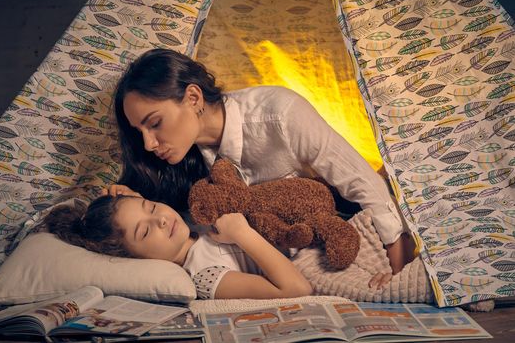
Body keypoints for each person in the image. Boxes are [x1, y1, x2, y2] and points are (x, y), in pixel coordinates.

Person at [105, 49, 417, 289]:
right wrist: (133, 197)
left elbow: (363, 184)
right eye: (139, 131)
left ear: (193, 97)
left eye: (155, 123)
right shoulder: (179, 161)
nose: (147, 143)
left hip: (340, 228)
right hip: (292, 259)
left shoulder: (280, 114)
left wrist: (396, 270)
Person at [44, 195, 312, 300]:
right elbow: (296, 289)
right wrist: (243, 233)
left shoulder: (195, 225)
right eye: (145, 231)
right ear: (135, 258)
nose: (160, 218)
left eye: (150, 206)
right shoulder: (204, 276)